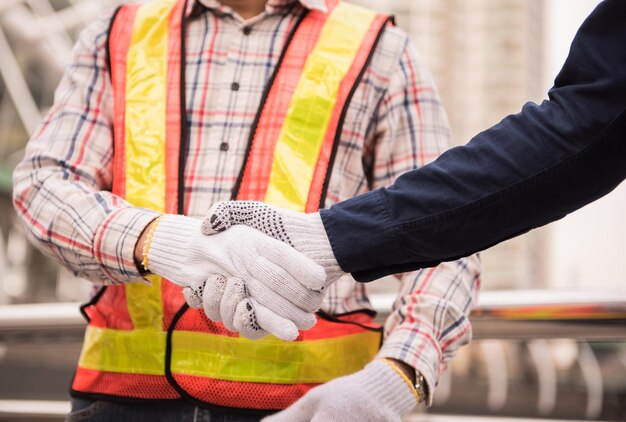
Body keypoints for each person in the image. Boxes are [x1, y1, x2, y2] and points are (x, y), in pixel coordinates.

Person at [12, 0, 480, 420]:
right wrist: (164, 241)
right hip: (122, 403)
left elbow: (445, 232)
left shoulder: (380, 49)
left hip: (319, 405)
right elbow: (43, 184)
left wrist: (396, 377)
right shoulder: (117, 31)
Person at [206, 0, 626, 284]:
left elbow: (588, 127)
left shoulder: (376, 46)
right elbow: (591, 124)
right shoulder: (139, 24)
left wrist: (397, 375)